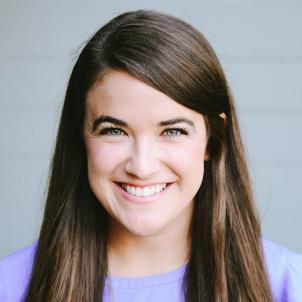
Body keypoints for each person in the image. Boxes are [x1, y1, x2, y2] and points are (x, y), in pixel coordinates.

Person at [0, 9, 301, 302]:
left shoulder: (289, 284)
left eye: (172, 131)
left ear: (213, 139)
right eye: (114, 131)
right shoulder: (9, 288)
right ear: (81, 136)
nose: (142, 167)